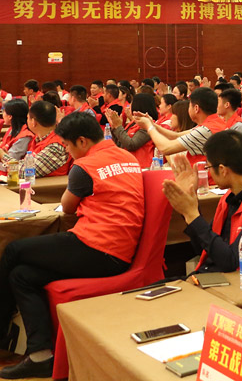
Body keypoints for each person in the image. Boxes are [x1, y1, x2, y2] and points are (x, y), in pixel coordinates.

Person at [0, 112, 144, 379]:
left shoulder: (85, 166)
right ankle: (41, 355)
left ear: (82, 141)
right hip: (119, 249)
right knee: (21, 275)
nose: (66, 151)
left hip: (97, 247)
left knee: (13, 250)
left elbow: (67, 207)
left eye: (67, 145)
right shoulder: (127, 157)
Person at [165, 131, 242, 273]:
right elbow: (204, 249)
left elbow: (231, 262)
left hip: (238, 281)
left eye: (208, 167)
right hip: (210, 275)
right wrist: (191, 203)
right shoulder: (228, 198)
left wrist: (192, 215)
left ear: (222, 170)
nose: (209, 173)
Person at [136, 87, 227, 166]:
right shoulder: (214, 123)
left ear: (196, 108)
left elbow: (165, 148)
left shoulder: (205, 130)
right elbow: (175, 136)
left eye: (190, 105)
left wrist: (149, 126)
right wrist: (152, 124)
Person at [106, 93, 157, 168]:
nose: (129, 106)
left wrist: (119, 126)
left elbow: (131, 145)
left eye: (131, 103)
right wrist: (114, 127)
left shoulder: (148, 124)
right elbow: (120, 144)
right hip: (127, 164)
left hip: (141, 167)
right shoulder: (133, 123)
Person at [27, 101, 70, 178]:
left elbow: (27, 171)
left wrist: (4, 156)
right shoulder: (38, 138)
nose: (26, 121)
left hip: (47, 185)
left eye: (27, 118)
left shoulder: (55, 146)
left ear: (33, 122)